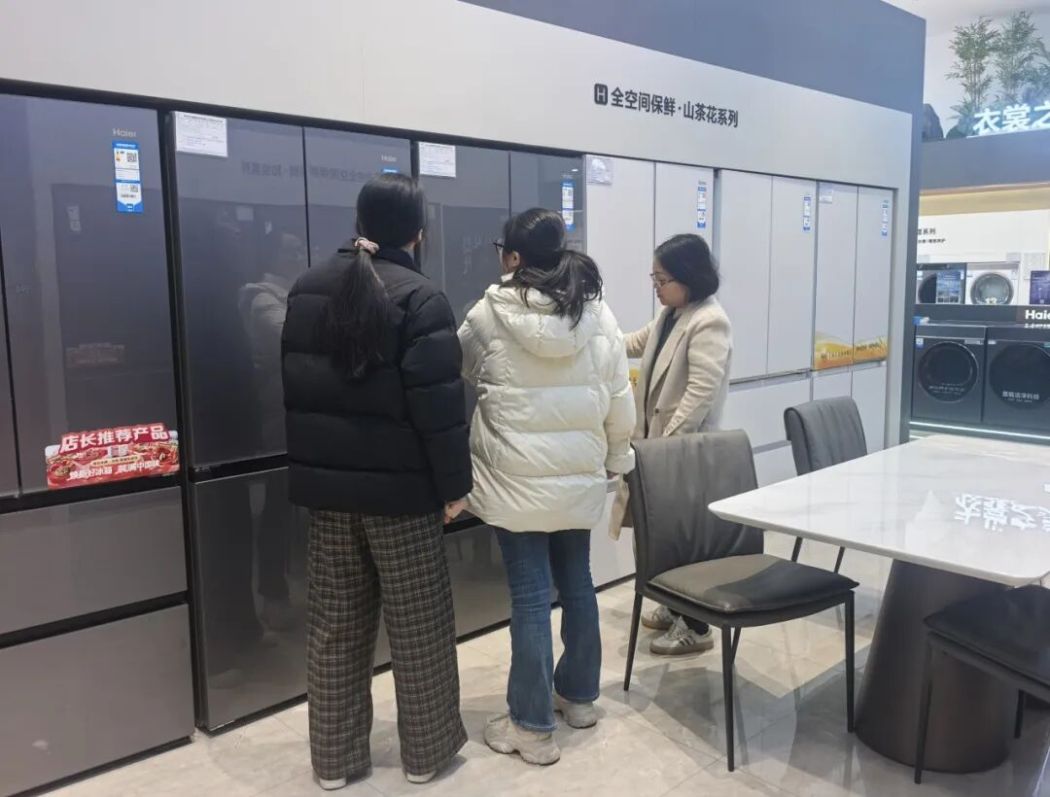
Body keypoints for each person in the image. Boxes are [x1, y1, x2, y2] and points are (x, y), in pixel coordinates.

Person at [282, 174, 472, 789]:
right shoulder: (421, 298)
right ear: (419, 232)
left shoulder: (306, 289)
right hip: (402, 499)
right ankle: (426, 756)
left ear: (359, 221)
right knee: (420, 629)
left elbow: (299, 395)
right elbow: (439, 411)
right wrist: (454, 488)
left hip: (330, 497)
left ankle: (334, 764)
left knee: (334, 629)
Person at [458, 208, 636, 766]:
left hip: (514, 482)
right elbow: (619, 397)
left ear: (513, 257)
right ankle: (578, 699)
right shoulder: (596, 312)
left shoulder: (487, 314)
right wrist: (617, 459)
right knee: (578, 583)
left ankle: (532, 727)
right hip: (578, 477)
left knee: (531, 597)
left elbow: (464, 370)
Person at [610, 233, 732, 656]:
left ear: (688, 276)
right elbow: (631, 343)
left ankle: (696, 625)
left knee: (683, 538)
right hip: (656, 448)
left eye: (662, 279)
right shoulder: (672, 315)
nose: (656, 287)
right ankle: (673, 603)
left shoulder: (709, 321)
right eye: (654, 278)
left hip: (680, 452)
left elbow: (699, 395)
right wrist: (593, 332)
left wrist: (664, 448)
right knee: (659, 534)